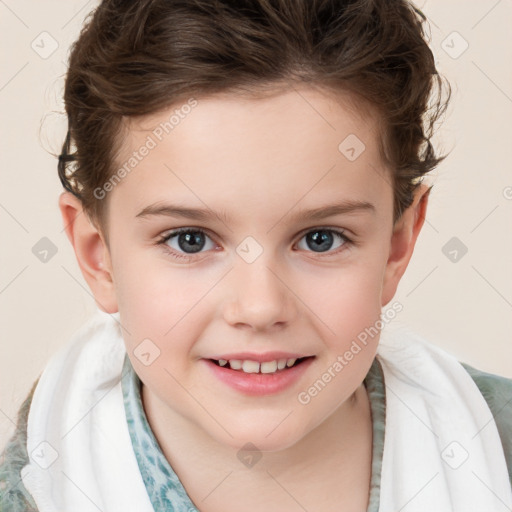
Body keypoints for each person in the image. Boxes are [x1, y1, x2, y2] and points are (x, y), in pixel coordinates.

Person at [1, 0, 511, 510]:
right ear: (99, 258)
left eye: (320, 239)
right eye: (190, 240)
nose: (261, 307)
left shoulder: (495, 449)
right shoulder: (32, 490)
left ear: (398, 246)